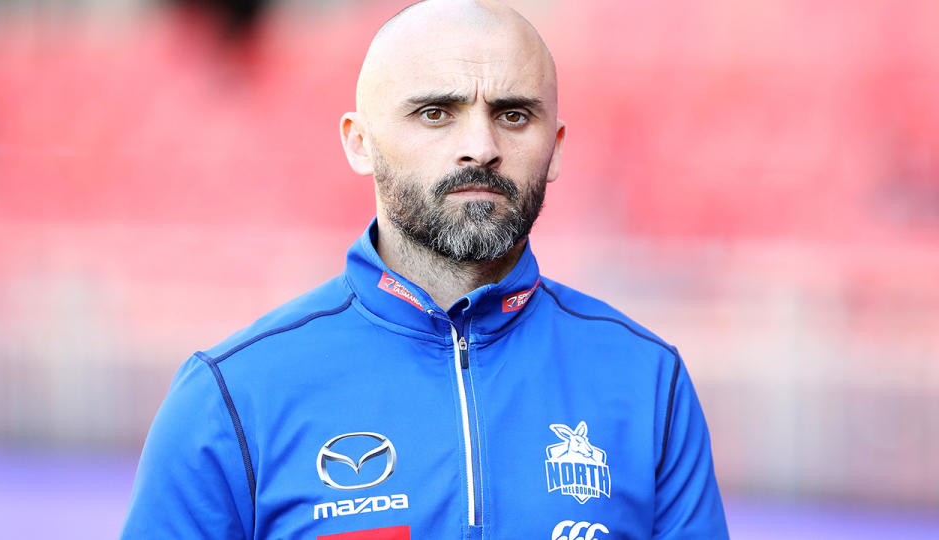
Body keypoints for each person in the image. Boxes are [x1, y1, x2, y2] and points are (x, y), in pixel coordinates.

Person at [120, 1, 730, 538]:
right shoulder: (230, 396)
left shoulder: (649, 382)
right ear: (359, 142)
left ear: (557, 148)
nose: (481, 146)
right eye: (436, 113)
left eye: (514, 114)